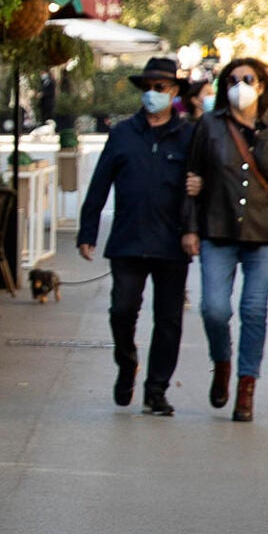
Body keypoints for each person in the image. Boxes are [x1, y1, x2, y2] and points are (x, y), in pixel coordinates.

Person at [183, 55, 268, 423]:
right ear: (224, 87)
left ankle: (246, 385)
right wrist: (190, 228)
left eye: (249, 79)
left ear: (262, 87)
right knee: (214, 308)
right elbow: (192, 179)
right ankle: (222, 362)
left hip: (265, 233)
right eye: (233, 80)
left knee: (253, 309)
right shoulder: (209, 125)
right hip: (217, 229)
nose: (240, 86)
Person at [77, 56, 195, 416]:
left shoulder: (188, 135)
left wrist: (196, 227)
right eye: (147, 88)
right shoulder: (123, 133)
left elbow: (204, 185)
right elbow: (99, 184)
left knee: (169, 320)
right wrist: (88, 230)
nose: (152, 94)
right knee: (121, 311)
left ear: (174, 92)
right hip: (128, 240)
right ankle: (127, 364)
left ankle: (156, 389)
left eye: (160, 88)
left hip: (172, 243)